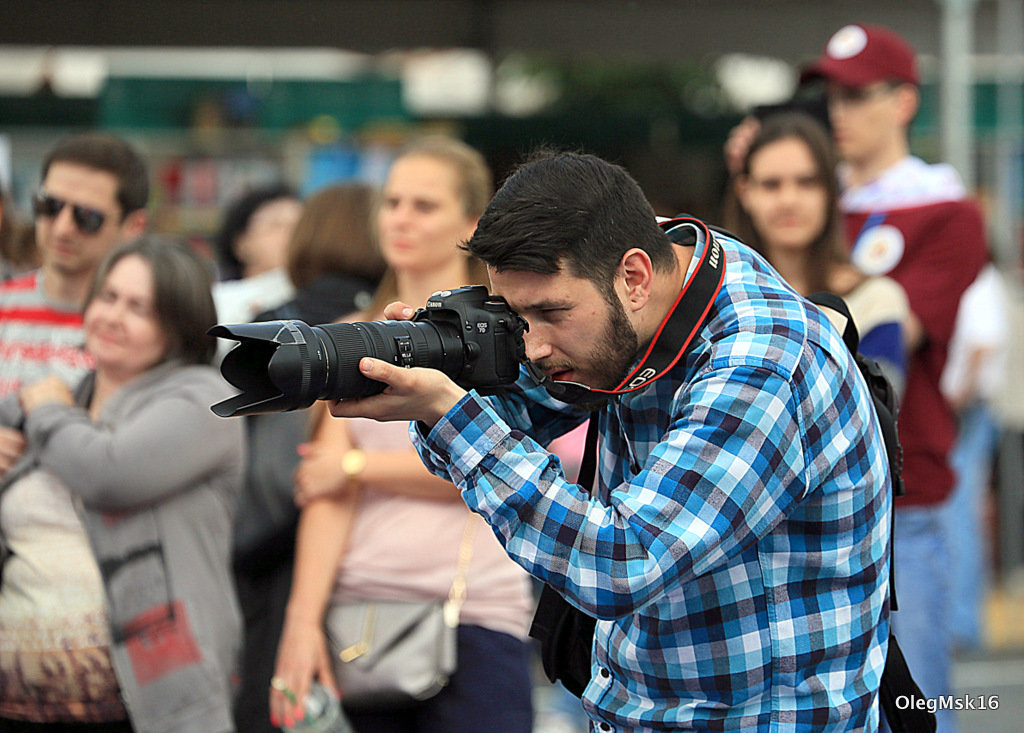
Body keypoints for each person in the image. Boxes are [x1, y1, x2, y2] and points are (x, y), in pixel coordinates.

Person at [328, 150, 894, 731]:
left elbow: (621, 563)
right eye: (517, 319)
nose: (534, 347)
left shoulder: (764, 361)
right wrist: (444, 364)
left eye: (551, 312)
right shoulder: (657, 288)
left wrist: (453, 414)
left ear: (634, 277)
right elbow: (481, 433)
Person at [268, 137, 535, 733]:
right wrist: (302, 620)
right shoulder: (346, 334)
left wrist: (361, 469)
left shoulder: (507, 331)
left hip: (474, 611)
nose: (402, 219)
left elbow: (512, 467)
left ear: (471, 221)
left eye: (424, 205)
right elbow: (324, 490)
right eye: (392, 202)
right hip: (361, 612)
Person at [0, 236, 245, 732]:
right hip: (20, 705)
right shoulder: (66, 399)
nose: (112, 316)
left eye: (139, 307)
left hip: (145, 708)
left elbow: (106, 473)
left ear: (177, 324)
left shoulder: (205, 401)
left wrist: (45, 411)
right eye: (107, 296)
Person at [232, 182, 385, 733]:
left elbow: (271, 480)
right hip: (379, 584)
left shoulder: (273, 331)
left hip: (276, 576)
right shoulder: (395, 333)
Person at [726, 111, 909, 393]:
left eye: (807, 182)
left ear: (832, 192)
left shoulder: (877, 300)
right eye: (771, 184)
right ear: (745, 192)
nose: (789, 200)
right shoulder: (717, 300)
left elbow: (870, 416)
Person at [0, 132, 149, 397]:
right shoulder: (4, 304)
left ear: (133, 226)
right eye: (50, 206)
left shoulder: (145, 332)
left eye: (88, 216)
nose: (63, 228)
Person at [940, 262, 1009, 650]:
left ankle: (963, 623)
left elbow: (984, 344)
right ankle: (961, 620)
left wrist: (954, 395)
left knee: (959, 514)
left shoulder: (977, 276)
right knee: (958, 514)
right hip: (965, 407)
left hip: (965, 410)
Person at [212, 184, 303, 328]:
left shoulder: (322, 298)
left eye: (299, 226)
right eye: (276, 225)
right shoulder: (219, 301)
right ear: (241, 243)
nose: (292, 235)